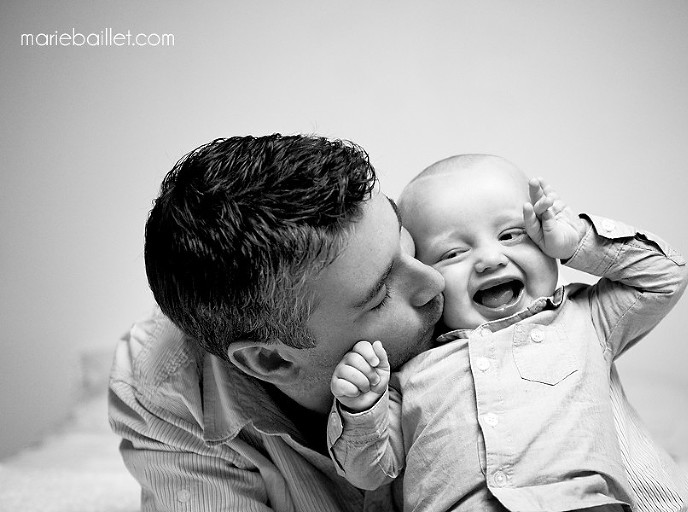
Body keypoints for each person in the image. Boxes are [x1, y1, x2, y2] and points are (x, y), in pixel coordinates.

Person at [327, 155, 688, 512]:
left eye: (511, 235)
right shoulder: (409, 371)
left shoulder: (584, 319)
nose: (490, 259)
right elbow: (369, 472)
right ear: (427, 281)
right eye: (452, 254)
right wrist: (361, 408)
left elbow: (665, 277)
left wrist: (577, 242)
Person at [108, 134, 445, 511]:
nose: (435, 282)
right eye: (381, 296)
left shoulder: (445, 266)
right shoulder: (165, 394)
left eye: (402, 237)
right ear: (270, 360)